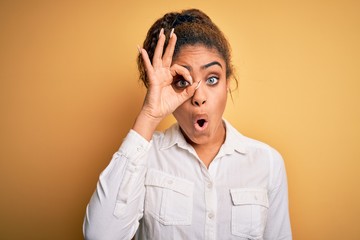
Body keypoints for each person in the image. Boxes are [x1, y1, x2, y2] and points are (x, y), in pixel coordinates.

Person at [83, 8, 292, 240]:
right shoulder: (146, 157)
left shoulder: (267, 163)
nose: (199, 97)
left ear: (227, 83)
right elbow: (100, 236)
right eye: (182, 82)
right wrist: (149, 114)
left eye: (212, 79)